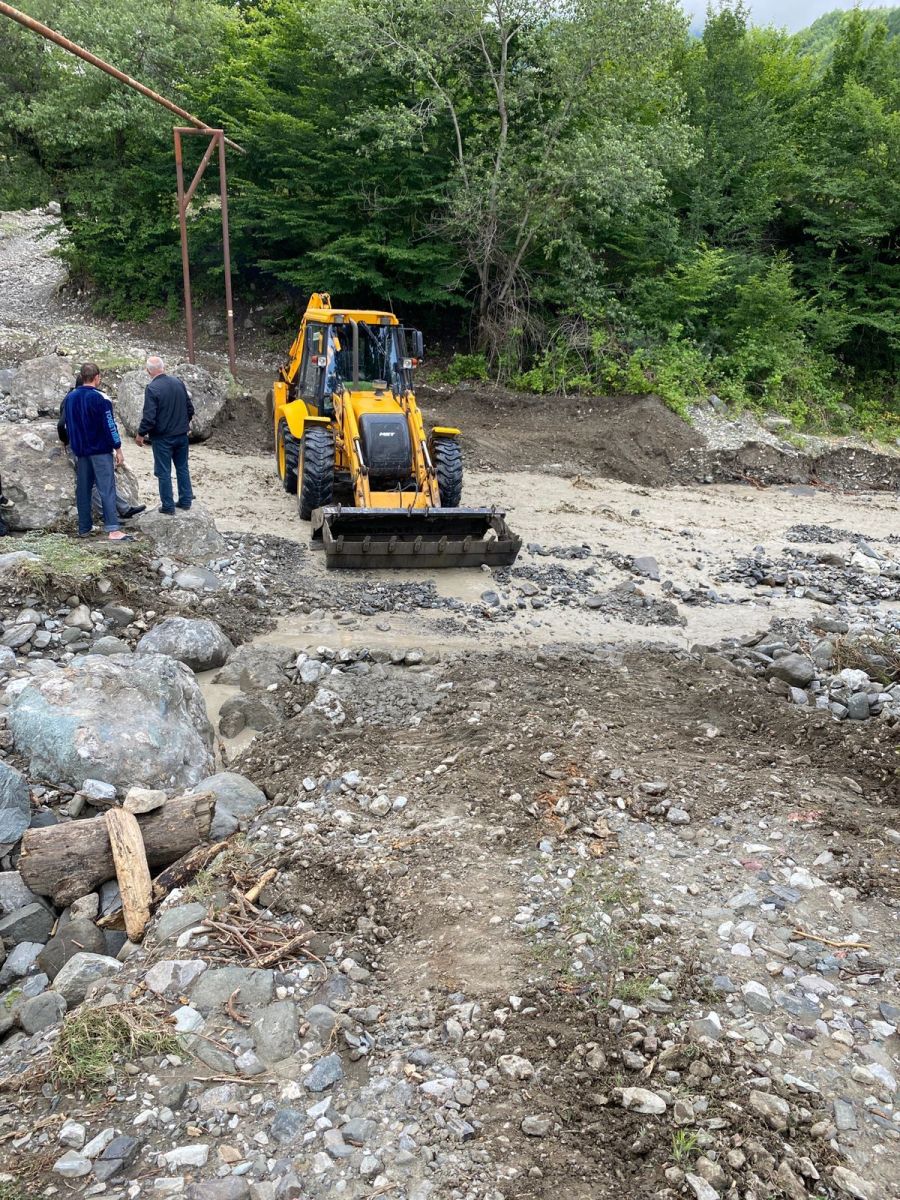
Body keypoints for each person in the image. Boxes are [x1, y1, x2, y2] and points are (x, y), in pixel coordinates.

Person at [58, 370, 145, 521]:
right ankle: (108, 515)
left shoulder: (69, 398)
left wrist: (66, 440)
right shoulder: (94, 397)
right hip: (95, 447)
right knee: (99, 483)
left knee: (99, 482)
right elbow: (109, 425)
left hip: (80, 447)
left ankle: (122, 509)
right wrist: (117, 447)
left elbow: (62, 424)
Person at [135, 356, 194, 514]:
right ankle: (186, 500)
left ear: (148, 371)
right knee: (182, 467)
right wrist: (183, 424)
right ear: (163, 367)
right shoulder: (178, 382)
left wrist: (141, 434)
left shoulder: (152, 388)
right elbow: (190, 409)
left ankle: (168, 506)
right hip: (181, 434)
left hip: (163, 438)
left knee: (163, 472)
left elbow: (149, 417)